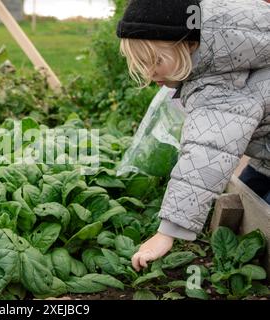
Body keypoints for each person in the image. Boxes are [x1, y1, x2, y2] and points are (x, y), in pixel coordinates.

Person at [115, 0, 270, 271]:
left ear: (187, 44)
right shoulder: (230, 33)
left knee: (264, 221)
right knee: (248, 191)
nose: (150, 74)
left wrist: (167, 232)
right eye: (142, 64)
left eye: (156, 62)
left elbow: (206, 153)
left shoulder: (218, 85)